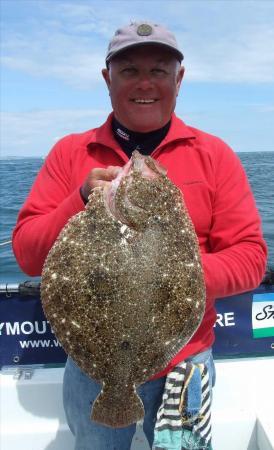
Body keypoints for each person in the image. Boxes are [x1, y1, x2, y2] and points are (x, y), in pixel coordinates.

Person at [12, 21, 267, 450]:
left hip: (186, 366)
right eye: (129, 70)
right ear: (107, 79)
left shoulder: (215, 155)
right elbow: (28, 255)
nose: (145, 83)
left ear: (178, 79)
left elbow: (251, 259)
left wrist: (163, 275)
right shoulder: (69, 154)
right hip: (93, 370)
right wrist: (80, 198)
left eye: (159, 71)